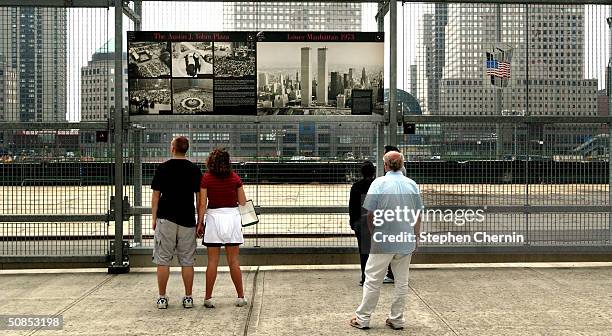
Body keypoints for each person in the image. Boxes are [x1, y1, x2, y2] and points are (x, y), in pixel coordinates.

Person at [350, 151, 423, 330]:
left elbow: (370, 214)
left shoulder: (379, 183)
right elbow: (417, 214)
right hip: (405, 239)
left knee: (373, 279)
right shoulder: (412, 184)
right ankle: (396, 319)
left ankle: (363, 318)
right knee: (402, 281)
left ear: (385, 165)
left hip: (383, 240)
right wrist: (416, 236)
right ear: (402, 164)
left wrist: (374, 233)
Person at [151, 136, 202, 309]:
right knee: (187, 261)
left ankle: (162, 298)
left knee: (163, 260)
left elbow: (156, 196)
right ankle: (188, 298)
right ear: (186, 149)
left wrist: (153, 218)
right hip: (187, 219)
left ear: (172, 148)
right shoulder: (194, 169)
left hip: (166, 218)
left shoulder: (162, 168)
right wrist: (200, 220)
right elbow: (200, 198)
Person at [197, 148, 248, 308]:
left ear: (211, 162)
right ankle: (240, 296)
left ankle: (208, 298)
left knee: (212, 261)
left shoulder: (206, 179)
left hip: (213, 219)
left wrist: (200, 222)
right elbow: (243, 202)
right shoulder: (235, 178)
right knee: (233, 261)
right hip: (232, 219)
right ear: (228, 163)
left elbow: (202, 204)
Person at [349, 161, 376, 286]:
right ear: (374, 172)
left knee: (363, 251)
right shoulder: (377, 185)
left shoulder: (356, 186)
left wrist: (353, 222)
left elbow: (352, 207)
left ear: (361, 172)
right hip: (377, 221)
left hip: (361, 221)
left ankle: (365, 277)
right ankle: (377, 276)